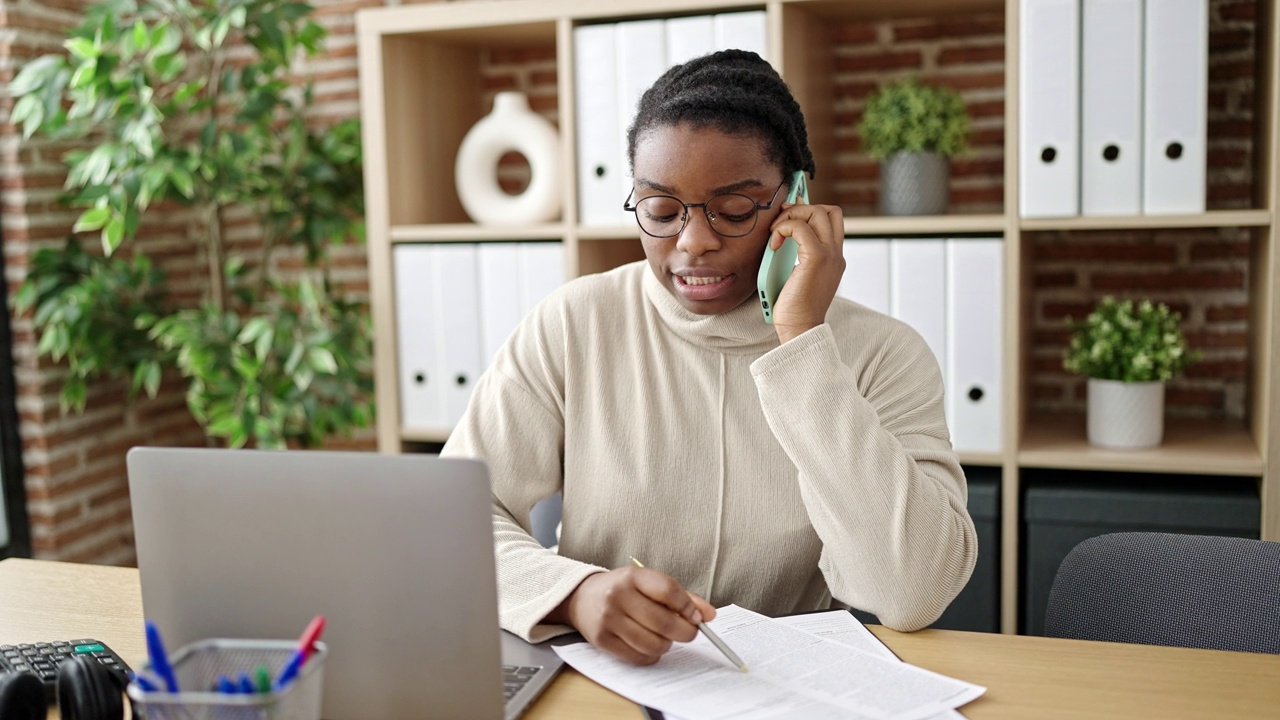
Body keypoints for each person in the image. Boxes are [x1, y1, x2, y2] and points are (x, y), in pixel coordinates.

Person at [441, 49, 976, 666]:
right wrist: (574, 594)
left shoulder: (882, 354)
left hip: (791, 691)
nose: (693, 242)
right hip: (608, 679)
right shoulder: (575, 324)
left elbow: (914, 592)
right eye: (662, 211)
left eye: (734, 209)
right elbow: (451, 518)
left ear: (795, 200)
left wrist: (802, 342)